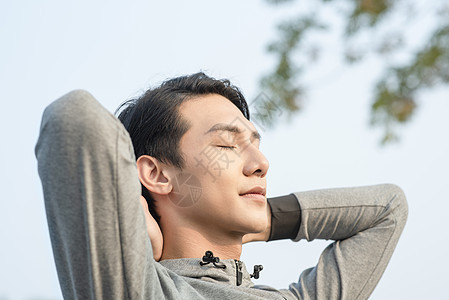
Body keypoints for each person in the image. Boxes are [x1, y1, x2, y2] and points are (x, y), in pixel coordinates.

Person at [36, 72, 408, 299]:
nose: (260, 164)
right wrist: (134, 229)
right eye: (227, 145)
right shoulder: (138, 289)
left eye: (256, 143)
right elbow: (75, 118)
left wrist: (259, 222)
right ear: (158, 175)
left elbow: (387, 209)